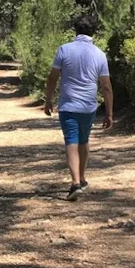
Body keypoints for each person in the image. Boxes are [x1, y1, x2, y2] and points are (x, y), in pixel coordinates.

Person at [44, 14, 114, 201]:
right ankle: (81, 178)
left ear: (75, 30)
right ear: (94, 32)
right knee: (83, 140)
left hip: (68, 105)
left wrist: (48, 100)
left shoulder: (64, 50)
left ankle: (75, 182)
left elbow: (52, 78)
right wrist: (109, 113)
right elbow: (106, 86)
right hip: (89, 106)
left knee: (71, 141)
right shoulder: (99, 54)